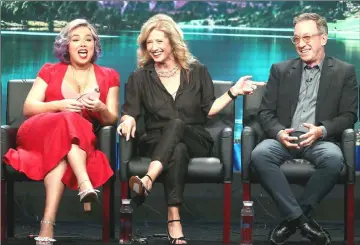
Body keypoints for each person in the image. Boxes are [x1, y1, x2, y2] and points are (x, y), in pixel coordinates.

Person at [117, 14, 264, 245]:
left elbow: (210, 109)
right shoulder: (139, 77)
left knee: (178, 126)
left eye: (159, 41)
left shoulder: (197, 71)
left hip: (196, 138)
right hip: (156, 140)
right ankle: (173, 220)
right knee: (177, 151)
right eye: (149, 43)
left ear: (172, 42)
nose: (153, 48)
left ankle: (148, 179)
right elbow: (130, 111)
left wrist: (233, 92)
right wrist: (127, 120)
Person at [3, 19, 120, 245]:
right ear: (66, 46)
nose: (82, 43)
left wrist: (101, 108)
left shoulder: (109, 75)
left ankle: (47, 226)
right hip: (38, 133)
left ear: (95, 45)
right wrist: (61, 105)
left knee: (64, 150)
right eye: (75, 40)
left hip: (76, 141)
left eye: (89, 39)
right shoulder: (49, 70)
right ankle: (85, 184)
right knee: (69, 118)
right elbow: (29, 108)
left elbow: (111, 118)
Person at [251, 13, 358, 245]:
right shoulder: (280, 70)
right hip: (284, 138)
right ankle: (302, 221)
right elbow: (265, 113)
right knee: (259, 154)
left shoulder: (344, 72)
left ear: (324, 38)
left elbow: (349, 116)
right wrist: (279, 132)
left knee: (333, 158)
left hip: (319, 140)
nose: (301, 44)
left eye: (307, 37)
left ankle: (292, 220)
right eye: (296, 38)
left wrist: (321, 131)